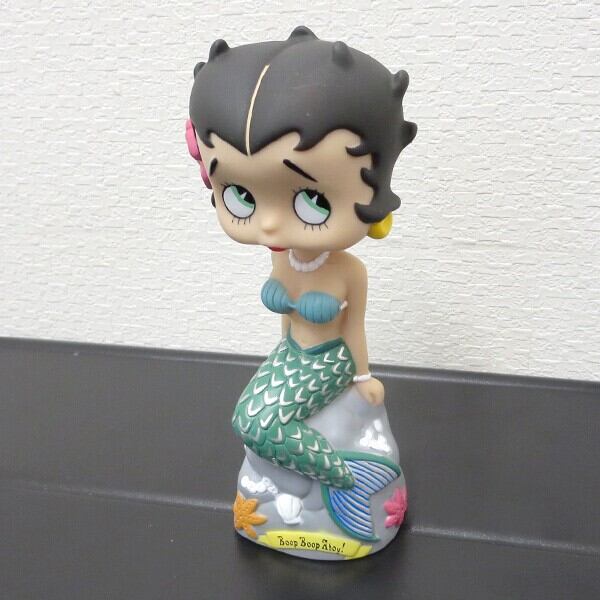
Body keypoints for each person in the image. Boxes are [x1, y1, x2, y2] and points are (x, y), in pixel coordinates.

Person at [186, 26, 416, 553]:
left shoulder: (348, 272)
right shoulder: (282, 258)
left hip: (331, 361)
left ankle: (342, 481)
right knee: (248, 419)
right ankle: (313, 484)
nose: (269, 224)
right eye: (241, 195)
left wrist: (363, 379)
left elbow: (353, 327)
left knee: (257, 421)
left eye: (312, 200)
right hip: (293, 355)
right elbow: (286, 320)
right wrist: (281, 353)